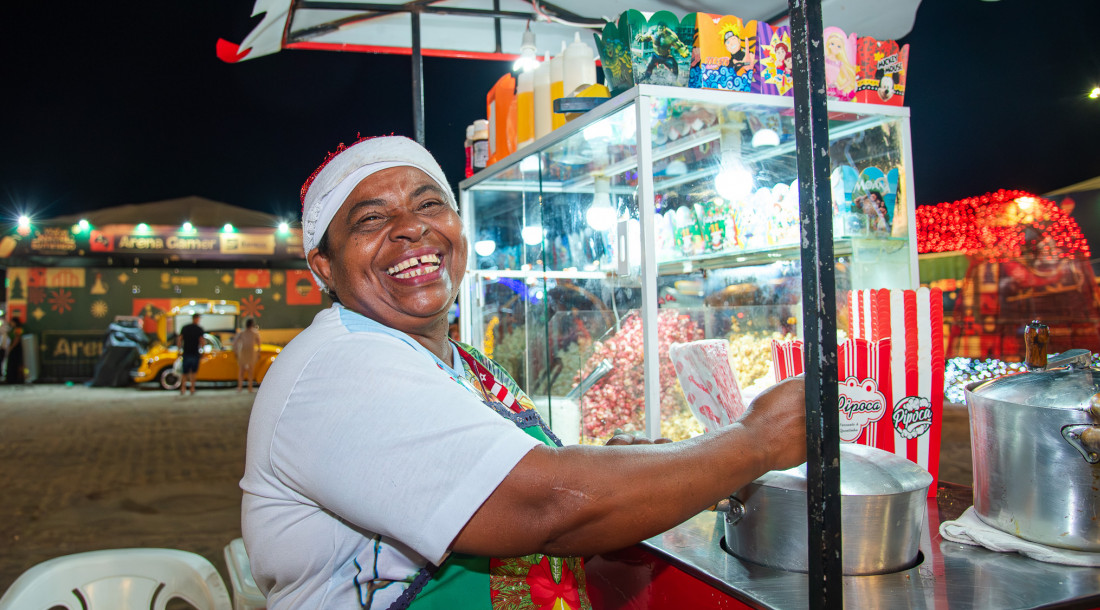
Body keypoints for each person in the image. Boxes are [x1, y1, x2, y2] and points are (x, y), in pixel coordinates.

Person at [240, 135, 807, 609]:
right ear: (324, 266)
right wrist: (755, 442)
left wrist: (620, 468)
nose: (412, 229)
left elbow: (536, 482)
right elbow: (547, 506)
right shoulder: (338, 367)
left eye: (430, 205)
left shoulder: (462, 363)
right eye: (371, 218)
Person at [176, 313, 205, 396]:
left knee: (184, 372)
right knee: (193, 372)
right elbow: (202, 341)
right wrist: (203, 350)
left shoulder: (185, 328)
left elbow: (179, 339)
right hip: (194, 353)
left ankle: (183, 388)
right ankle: (192, 388)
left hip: (186, 352)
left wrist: (179, 350)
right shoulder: (199, 329)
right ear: (196, 319)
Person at [232, 318, 262, 393]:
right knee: (250, 371)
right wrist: (258, 353)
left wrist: (235, 352)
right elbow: (259, 344)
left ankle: (240, 387)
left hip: (243, 351)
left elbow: (235, 342)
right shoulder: (255, 333)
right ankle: (250, 387)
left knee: (241, 370)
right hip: (251, 352)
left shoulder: (242, 332)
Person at [4, 317, 24, 384]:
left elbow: (17, 339)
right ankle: (10, 378)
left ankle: (13, 379)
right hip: (13, 348)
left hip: (16, 349)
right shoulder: (13, 329)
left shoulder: (18, 329)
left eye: (12, 322)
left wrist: (11, 347)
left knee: (14, 363)